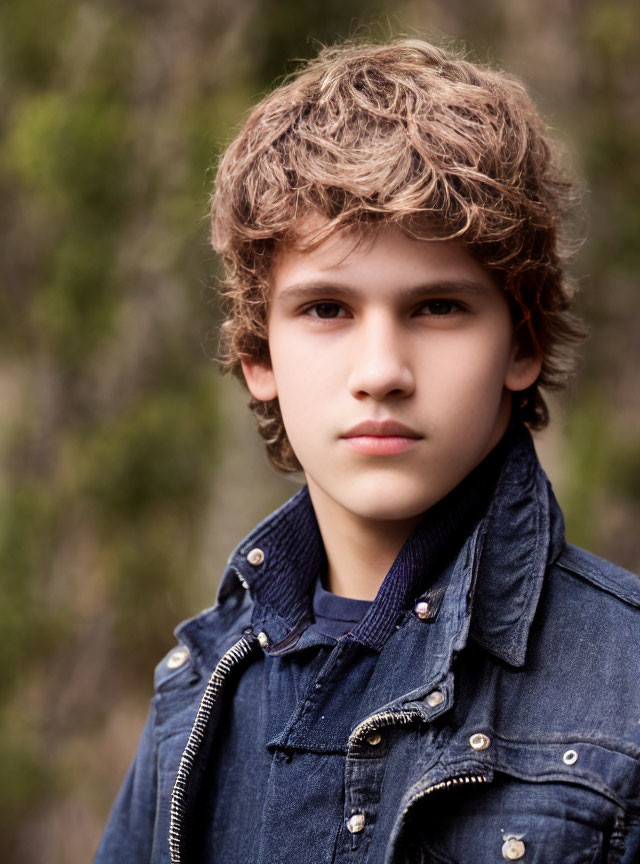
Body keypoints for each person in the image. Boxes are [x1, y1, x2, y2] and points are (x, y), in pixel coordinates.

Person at [95, 39, 640, 864]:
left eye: (438, 307)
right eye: (325, 309)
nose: (381, 372)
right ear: (259, 357)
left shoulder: (627, 685)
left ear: (520, 343)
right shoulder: (198, 690)